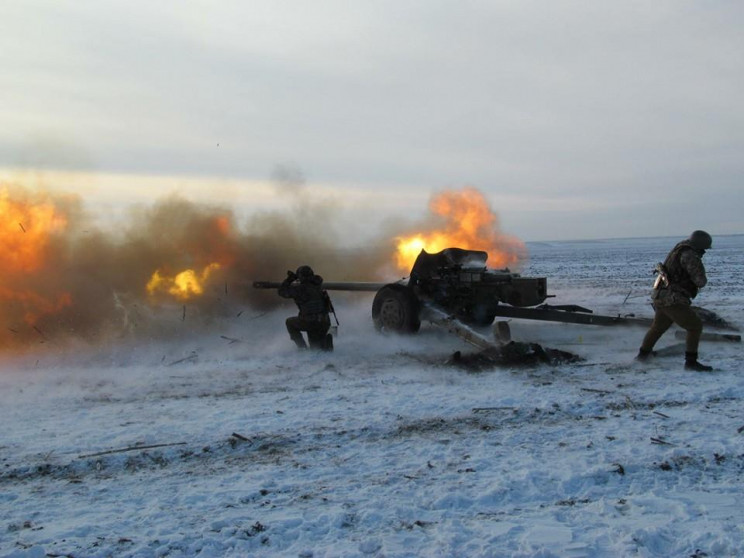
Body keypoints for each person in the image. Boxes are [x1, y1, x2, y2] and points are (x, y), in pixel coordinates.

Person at [637, 230, 713, 371]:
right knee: (695, 326)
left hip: (661, 296)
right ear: (700, 246)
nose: (704, 252)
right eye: (704, 249)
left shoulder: (678, 250)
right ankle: (691, 362)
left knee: (658, 328)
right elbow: (700, 281)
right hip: (673, 299)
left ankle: (642, 356)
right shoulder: (690, 255)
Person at [278, 265, 333, 351]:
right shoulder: (319, 286)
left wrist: (290, 279)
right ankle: (327, 349)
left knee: (289, 322)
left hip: (310, 322)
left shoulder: (300, 289)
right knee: (320, 348)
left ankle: (302, 348)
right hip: (324, 321)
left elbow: (282, 292)